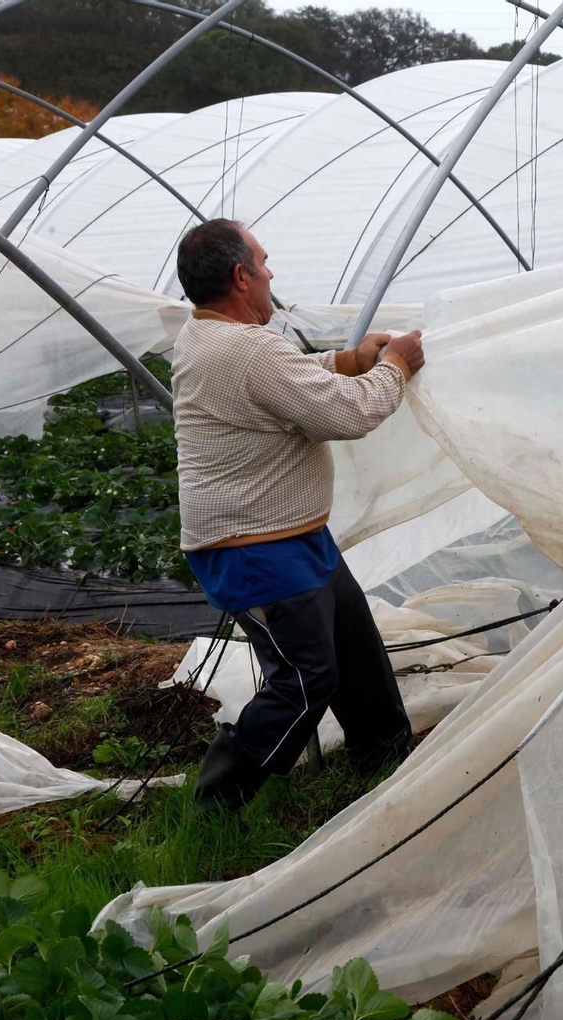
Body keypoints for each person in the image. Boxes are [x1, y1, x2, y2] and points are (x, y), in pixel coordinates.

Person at [170, 218, 424, 810]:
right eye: (263, 261)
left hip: (291, 535)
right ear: (240, 276)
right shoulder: (245, 348)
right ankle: (216, 802)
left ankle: (385, 761)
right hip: (251, 547)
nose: (271, 272)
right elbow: (345, 417)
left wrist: (350, 360)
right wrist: (395, 367)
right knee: (306, 679)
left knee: (355, 648)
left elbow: (286, 379)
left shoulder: (206, 335)